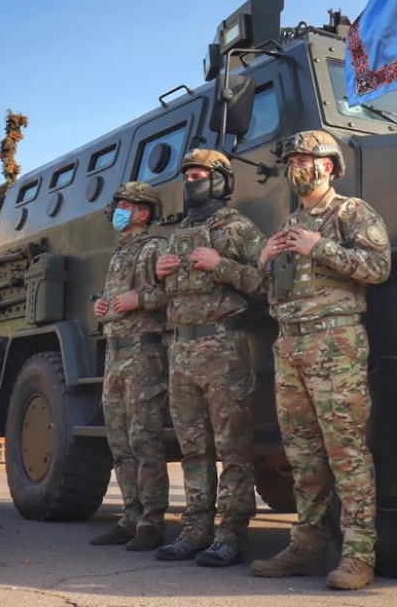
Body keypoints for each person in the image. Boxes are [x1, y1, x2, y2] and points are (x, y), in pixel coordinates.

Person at [250, 130, 392, 590]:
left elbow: (378, 267)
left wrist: (319, 246)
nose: (295, 167)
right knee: (302, 456)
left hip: (336, 343)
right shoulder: (287, 224)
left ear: (327, 165)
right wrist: (265, 262)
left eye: (303, 159)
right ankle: (307, 546)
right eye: (290, 161)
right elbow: (274, 293)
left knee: (345, 452)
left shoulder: (351, 211)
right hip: (289, 346)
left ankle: (357, 554)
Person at [153, 148, 266, 567]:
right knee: (193, 448)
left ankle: (231, 534)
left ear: (219, 181)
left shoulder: (237, 228)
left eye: (199, 175)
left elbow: (268, 282)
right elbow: (173, 298)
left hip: (223, 349)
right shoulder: (178, 235)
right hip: (181, 351)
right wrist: (162, 277)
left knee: (233, 447)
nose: (191, 182)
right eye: (187, 176)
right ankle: (195, 529)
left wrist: (221, 266)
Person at [89, 181, 170, 552]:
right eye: (117, 203)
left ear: (144, 212)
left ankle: (152, 522)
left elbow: (173, 293)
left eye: (125, 204)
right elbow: (114, 302)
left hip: (142, 353)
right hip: (115, 353)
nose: (118, 210)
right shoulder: (119, 254)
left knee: (144, 440)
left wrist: (141, 298)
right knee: (119, 441)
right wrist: (101, 309)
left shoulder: (155, 248)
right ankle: (130, 517)